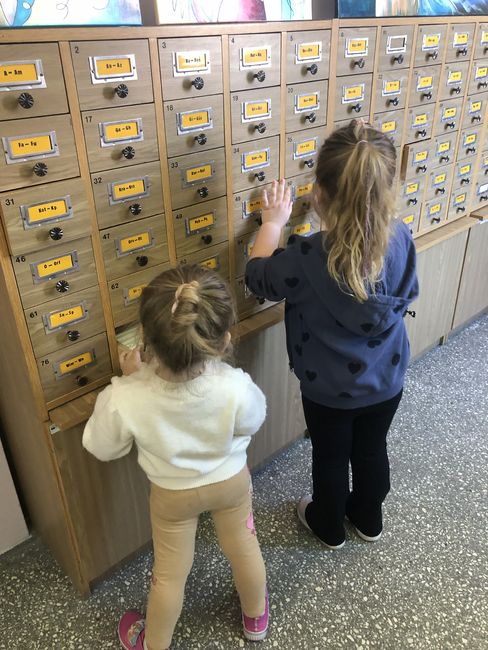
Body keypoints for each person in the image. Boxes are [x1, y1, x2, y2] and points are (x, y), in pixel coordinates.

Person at [245, 119, 419, 550]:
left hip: (328, 392)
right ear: (386, 190)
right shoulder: (400, 237)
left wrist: (273, 224)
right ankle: (368, 518)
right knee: (372, 450)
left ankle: (327, 523)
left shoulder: (308, 259)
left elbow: (258, 276)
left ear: (318, 194)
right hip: (386, 380)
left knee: (331, 457)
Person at [82, 264, 268, 650]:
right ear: (223, 341)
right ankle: (255, 619)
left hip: (171, 497)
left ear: (145, 341)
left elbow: (102, 446)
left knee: (169, 575)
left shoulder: (125, 395)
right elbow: (253, 420)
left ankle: (155, 643)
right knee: (244, 546)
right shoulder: (233, 385)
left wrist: (132, 378)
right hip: (231, 483)